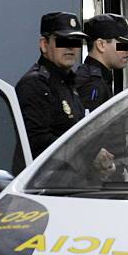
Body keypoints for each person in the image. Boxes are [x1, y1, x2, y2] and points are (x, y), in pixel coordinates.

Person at [12, 12, 87, 174]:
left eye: (75, 41)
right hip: (45, 187)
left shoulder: (68, 82)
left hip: (69, 184)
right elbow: (38, 143)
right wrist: (83, 154)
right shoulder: (36, 84)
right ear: (44, 45)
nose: (70, 47)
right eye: (62, 40)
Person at [75, 13, 128, 113]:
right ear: (101, 45)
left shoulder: (98, 78)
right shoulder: (93, 84)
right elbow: (92, 128)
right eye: (123, 44)